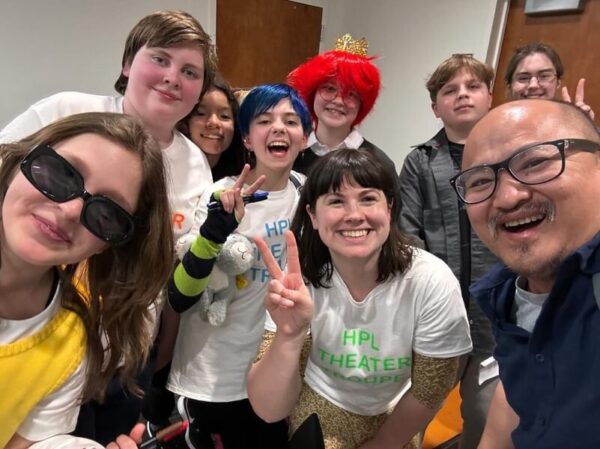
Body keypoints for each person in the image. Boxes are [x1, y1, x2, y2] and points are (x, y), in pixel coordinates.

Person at [0, 9, 217, 441]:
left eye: (189, 71)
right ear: (127, 64)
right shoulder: (69, 112)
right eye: (160, 59)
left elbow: (168, 274)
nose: (173, 77)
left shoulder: (195, 167)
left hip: (117, 337)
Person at [248, 148, 473, 449]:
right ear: (313, 215)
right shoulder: (299, 284)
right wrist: (289, 335)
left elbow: (430, 390)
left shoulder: (430, 281)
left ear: (390, 207)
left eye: (368, 198)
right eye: (336, 201)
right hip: (322, 402)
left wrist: (383, 444)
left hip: (397, 409)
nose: (354, 215)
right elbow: (270, 409)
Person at [0, 112, 173, 448]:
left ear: (108, 244)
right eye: (60, 173)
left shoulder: (71, 345)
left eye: (107, 213)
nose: (69, 210)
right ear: (22, 162)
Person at [165, 84, 312, 449]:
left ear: (305, 138)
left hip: (273, 372)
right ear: (246, 138)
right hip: (212, 374)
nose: (278, 128)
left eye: (290, 121)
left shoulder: (309, 193)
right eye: (264, 120)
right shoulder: (221, 195)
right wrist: (214, 231)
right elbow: (180, 297)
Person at [450, 99, 600, 449]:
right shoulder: (508, 296)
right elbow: (519, 398)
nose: (506, 197)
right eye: (480, 181)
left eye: (534, 163)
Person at [398, 54, 498, 449]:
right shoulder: (420, 162)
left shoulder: (507, 159)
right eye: (449, 90)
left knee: (484, 408)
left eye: (472, 87)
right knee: (419, 401)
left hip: (496, 311)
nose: (462, 96)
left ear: (490, 96)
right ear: (435, 106)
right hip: (439, 308)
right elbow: (408, 232)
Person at [286, 42, 401, 221]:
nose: (338, 100)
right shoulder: (288, 154)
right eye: (329, 88)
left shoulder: (379, 162)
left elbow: (392, 226)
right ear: (313, 93)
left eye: (351, 93)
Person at [178, 73, 246, 181]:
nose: (213, 122)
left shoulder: (242, 177)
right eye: (201, 113)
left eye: (224, 116)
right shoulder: (170, 170)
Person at [504, 42, 595, 119]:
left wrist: (584, 129)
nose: (533, 85)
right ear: (509, 85)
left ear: (558, 82)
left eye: (544, 76)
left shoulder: (573, 122)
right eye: (523, 78)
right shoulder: (495, 128)